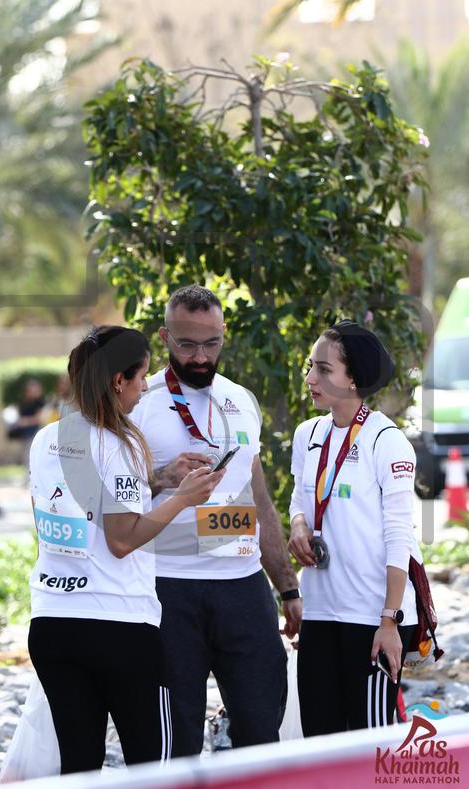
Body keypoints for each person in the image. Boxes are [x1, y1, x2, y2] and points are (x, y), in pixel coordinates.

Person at [27, 325, 225, 774]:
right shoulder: (120, 442)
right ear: (119, 381)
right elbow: (121, 539)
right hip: (119, 626)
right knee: (153, 768)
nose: (144, 389)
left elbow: (76, 510)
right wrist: (183, 498)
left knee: (79, 766)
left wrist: (157, 481)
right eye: (140, 379)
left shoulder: (46, 439)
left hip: (53, 621)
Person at [131, 285, 302, 756]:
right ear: (164, 337)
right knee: (175, 735)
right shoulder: (139, 401)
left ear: (224, 333)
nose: (200, 357)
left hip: (242, 584)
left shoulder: (241, 399)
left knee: (261, 725)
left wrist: (287, 588)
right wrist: (161, 477)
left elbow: (259, 499)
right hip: (167, 584)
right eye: (187, 345)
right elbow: (110, 493)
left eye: (212, 343)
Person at [288, 320, 419, 735]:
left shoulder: (386, 440)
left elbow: (400, 536)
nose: (310, 378)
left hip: (372, 617)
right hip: (320, 611)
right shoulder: (308, 434)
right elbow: (300, 498)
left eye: (324, 369)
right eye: (311, 366)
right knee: (320, 743)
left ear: (353, 379)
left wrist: (390, 621)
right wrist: (298, 525)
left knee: (371, 749)